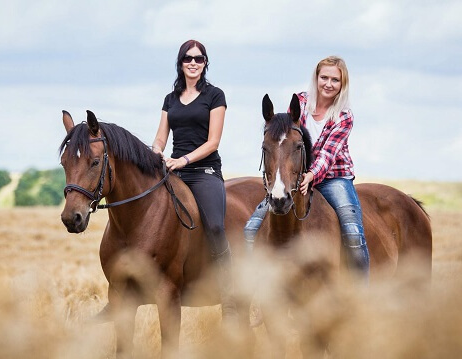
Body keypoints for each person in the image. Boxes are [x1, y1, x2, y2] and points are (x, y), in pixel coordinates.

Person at [244, 56, 370, 283]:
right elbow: (285, 139)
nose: (328, 84)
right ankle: (251, 290)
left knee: (353, 233)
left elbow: (328, 154)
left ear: (343, 84)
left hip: (334, 177)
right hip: (296, 176)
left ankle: (360, 292)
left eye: (335, 80)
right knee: (251, 228)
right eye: (324, 78)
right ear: (316, 78)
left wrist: (311, 175)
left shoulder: (344, 116)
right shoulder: (300, 103)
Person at [152, 39, 238, 321]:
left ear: (205, 63)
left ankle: (229, 294)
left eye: (198, 59)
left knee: (214, 225)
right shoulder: (170, 98)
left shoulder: (215, 96)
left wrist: (185, 160)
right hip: (174, 170)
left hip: (204, 172)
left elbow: (213, 142)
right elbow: (162, 137)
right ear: (180, 63)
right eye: (188, 58)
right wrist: (155, 154)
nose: (193, 63)